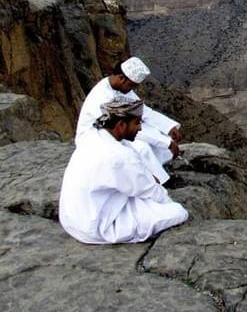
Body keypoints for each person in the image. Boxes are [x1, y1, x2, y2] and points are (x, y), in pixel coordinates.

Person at [59, 98, 188, 244]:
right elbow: (151, 191)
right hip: (96, 227)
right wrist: (168, 204)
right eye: (137, 123)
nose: (140, 128)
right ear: (121, 125)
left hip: (73, 220)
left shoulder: (93, 136)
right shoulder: (120, 157)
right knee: (178, 212)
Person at [75, 57, 180, 183]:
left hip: (119, 130)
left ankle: (155, 176)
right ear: (121, 78)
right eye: (131, 85)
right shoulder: (102, 96)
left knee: (159, 137)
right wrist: (165, 142)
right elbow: (121, 127)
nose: (132, 90)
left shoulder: (121, 88)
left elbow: (142, 110)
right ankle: (155, 183)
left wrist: (169, 127)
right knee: (142, 148)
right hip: (97, 137)